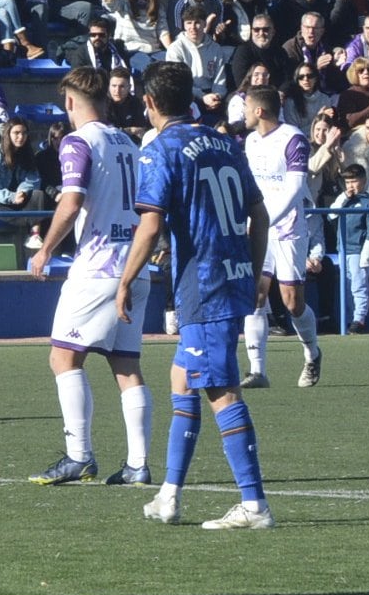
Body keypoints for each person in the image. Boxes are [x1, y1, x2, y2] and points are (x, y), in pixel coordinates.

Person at [114, 62, 276, 530]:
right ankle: (169, 495)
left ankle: (254, 505)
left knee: (220, 389)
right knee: (183, 377)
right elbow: (259, 215)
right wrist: (254, 268)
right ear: (189, 99)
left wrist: (125, 281)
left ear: (148, 103)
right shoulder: (227, 143)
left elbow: (150, 225)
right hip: (233, 275)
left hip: (204, 284)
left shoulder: (160, 150)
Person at [22, 69, 158, 486]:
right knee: (126, 365)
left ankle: (79, 455)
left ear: (69, 102)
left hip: (98, 268)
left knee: (63, 357)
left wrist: (45, 247)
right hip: (135, 264)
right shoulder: (128, 143)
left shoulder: (77, 141)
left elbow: (73, 198)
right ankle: (138, 464)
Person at [239, 85, 325, 389]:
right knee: (255, 295)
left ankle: (312, 353)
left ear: (259, 111)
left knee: (292, 302)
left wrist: (266, 220)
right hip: (258, 228)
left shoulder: (293, 138)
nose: (244, 113)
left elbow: (294, 188)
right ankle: (258, 371)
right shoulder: (249, 141)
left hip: (287, 227)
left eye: (246, 107)